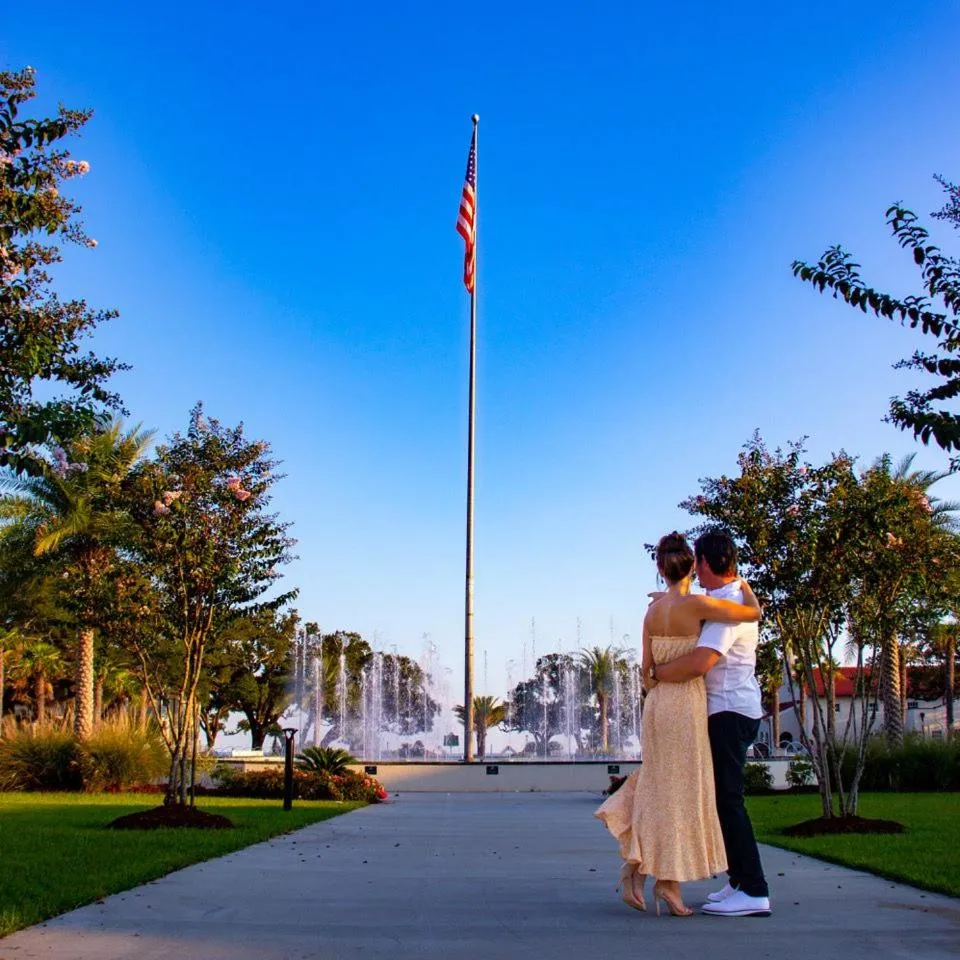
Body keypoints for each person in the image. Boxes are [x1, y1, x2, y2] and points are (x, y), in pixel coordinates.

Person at [595, 532, 761, 917]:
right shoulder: (701, 606)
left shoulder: (653, 612)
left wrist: (655, 675)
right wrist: (745, 585)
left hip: (657, 705)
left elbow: (645, 670)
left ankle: (645, 872)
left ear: (660, 569)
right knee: (681, 791)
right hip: (686, 702)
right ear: (692, 565)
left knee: (659, 784)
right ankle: (660, 879)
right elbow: (752, 614)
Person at [652, 528, 771, 918]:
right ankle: (738, 880)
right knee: (721, 800)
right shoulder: (726, 595)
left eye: (695, 563)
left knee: (728, 801)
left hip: (727, 712)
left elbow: (701, 661)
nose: (692, 571)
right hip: (729, 708)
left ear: (703, 562)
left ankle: (754, 890)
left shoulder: (728, 601)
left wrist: (657, 672)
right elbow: (694, 606)